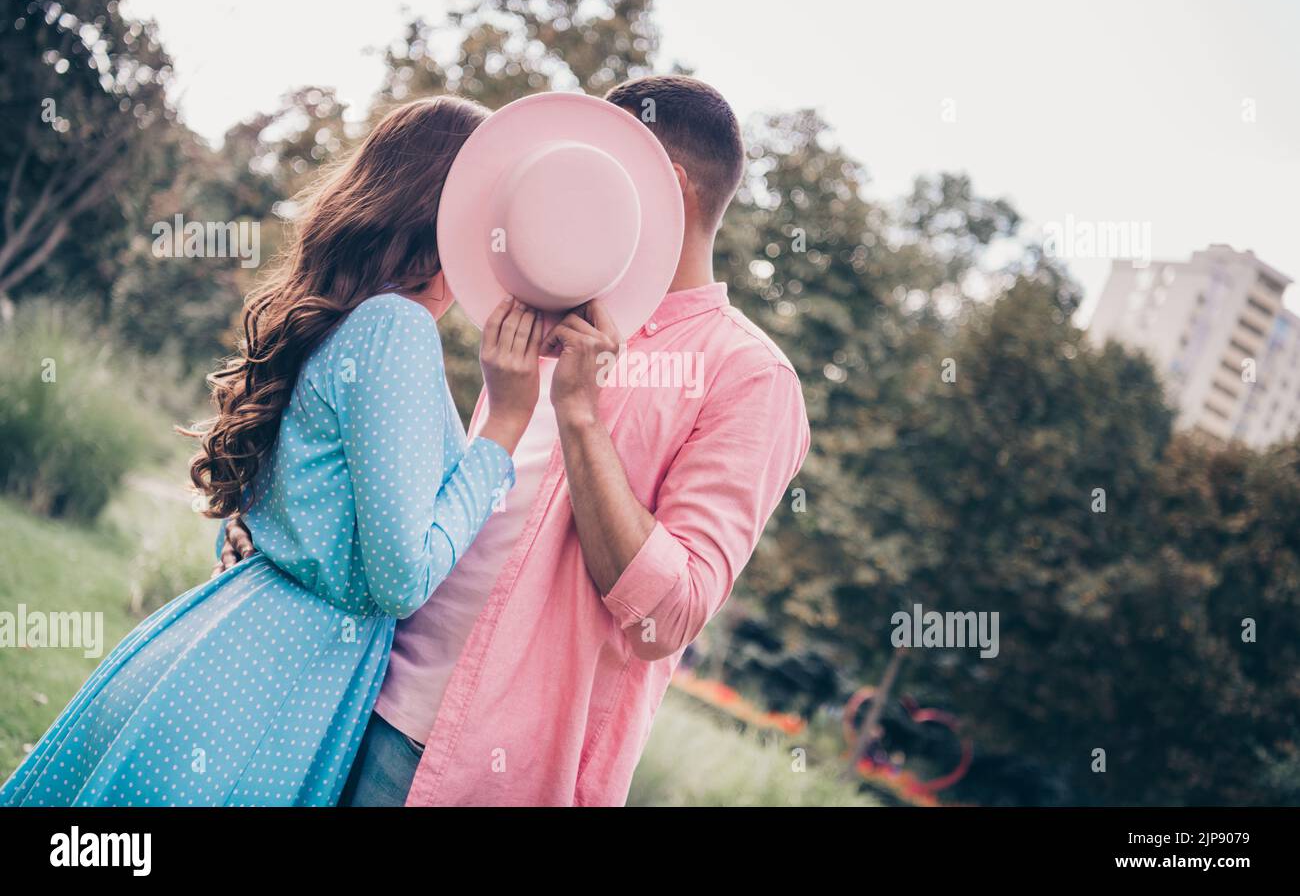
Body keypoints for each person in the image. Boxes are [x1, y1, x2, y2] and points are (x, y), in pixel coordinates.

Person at [221, 75, 812, 807]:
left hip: (475, 769)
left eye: (603, 162)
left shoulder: (750, 377)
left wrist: (581, 419)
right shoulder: (542, 296)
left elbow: (670, 616)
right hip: (354, 697)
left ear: (669, 185)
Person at [0, 97, 542, 806]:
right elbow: (399, 579)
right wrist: (503, 427)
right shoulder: (397, 328)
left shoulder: (349, 313)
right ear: (454, 214)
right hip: (269, 687)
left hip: (232, 649)